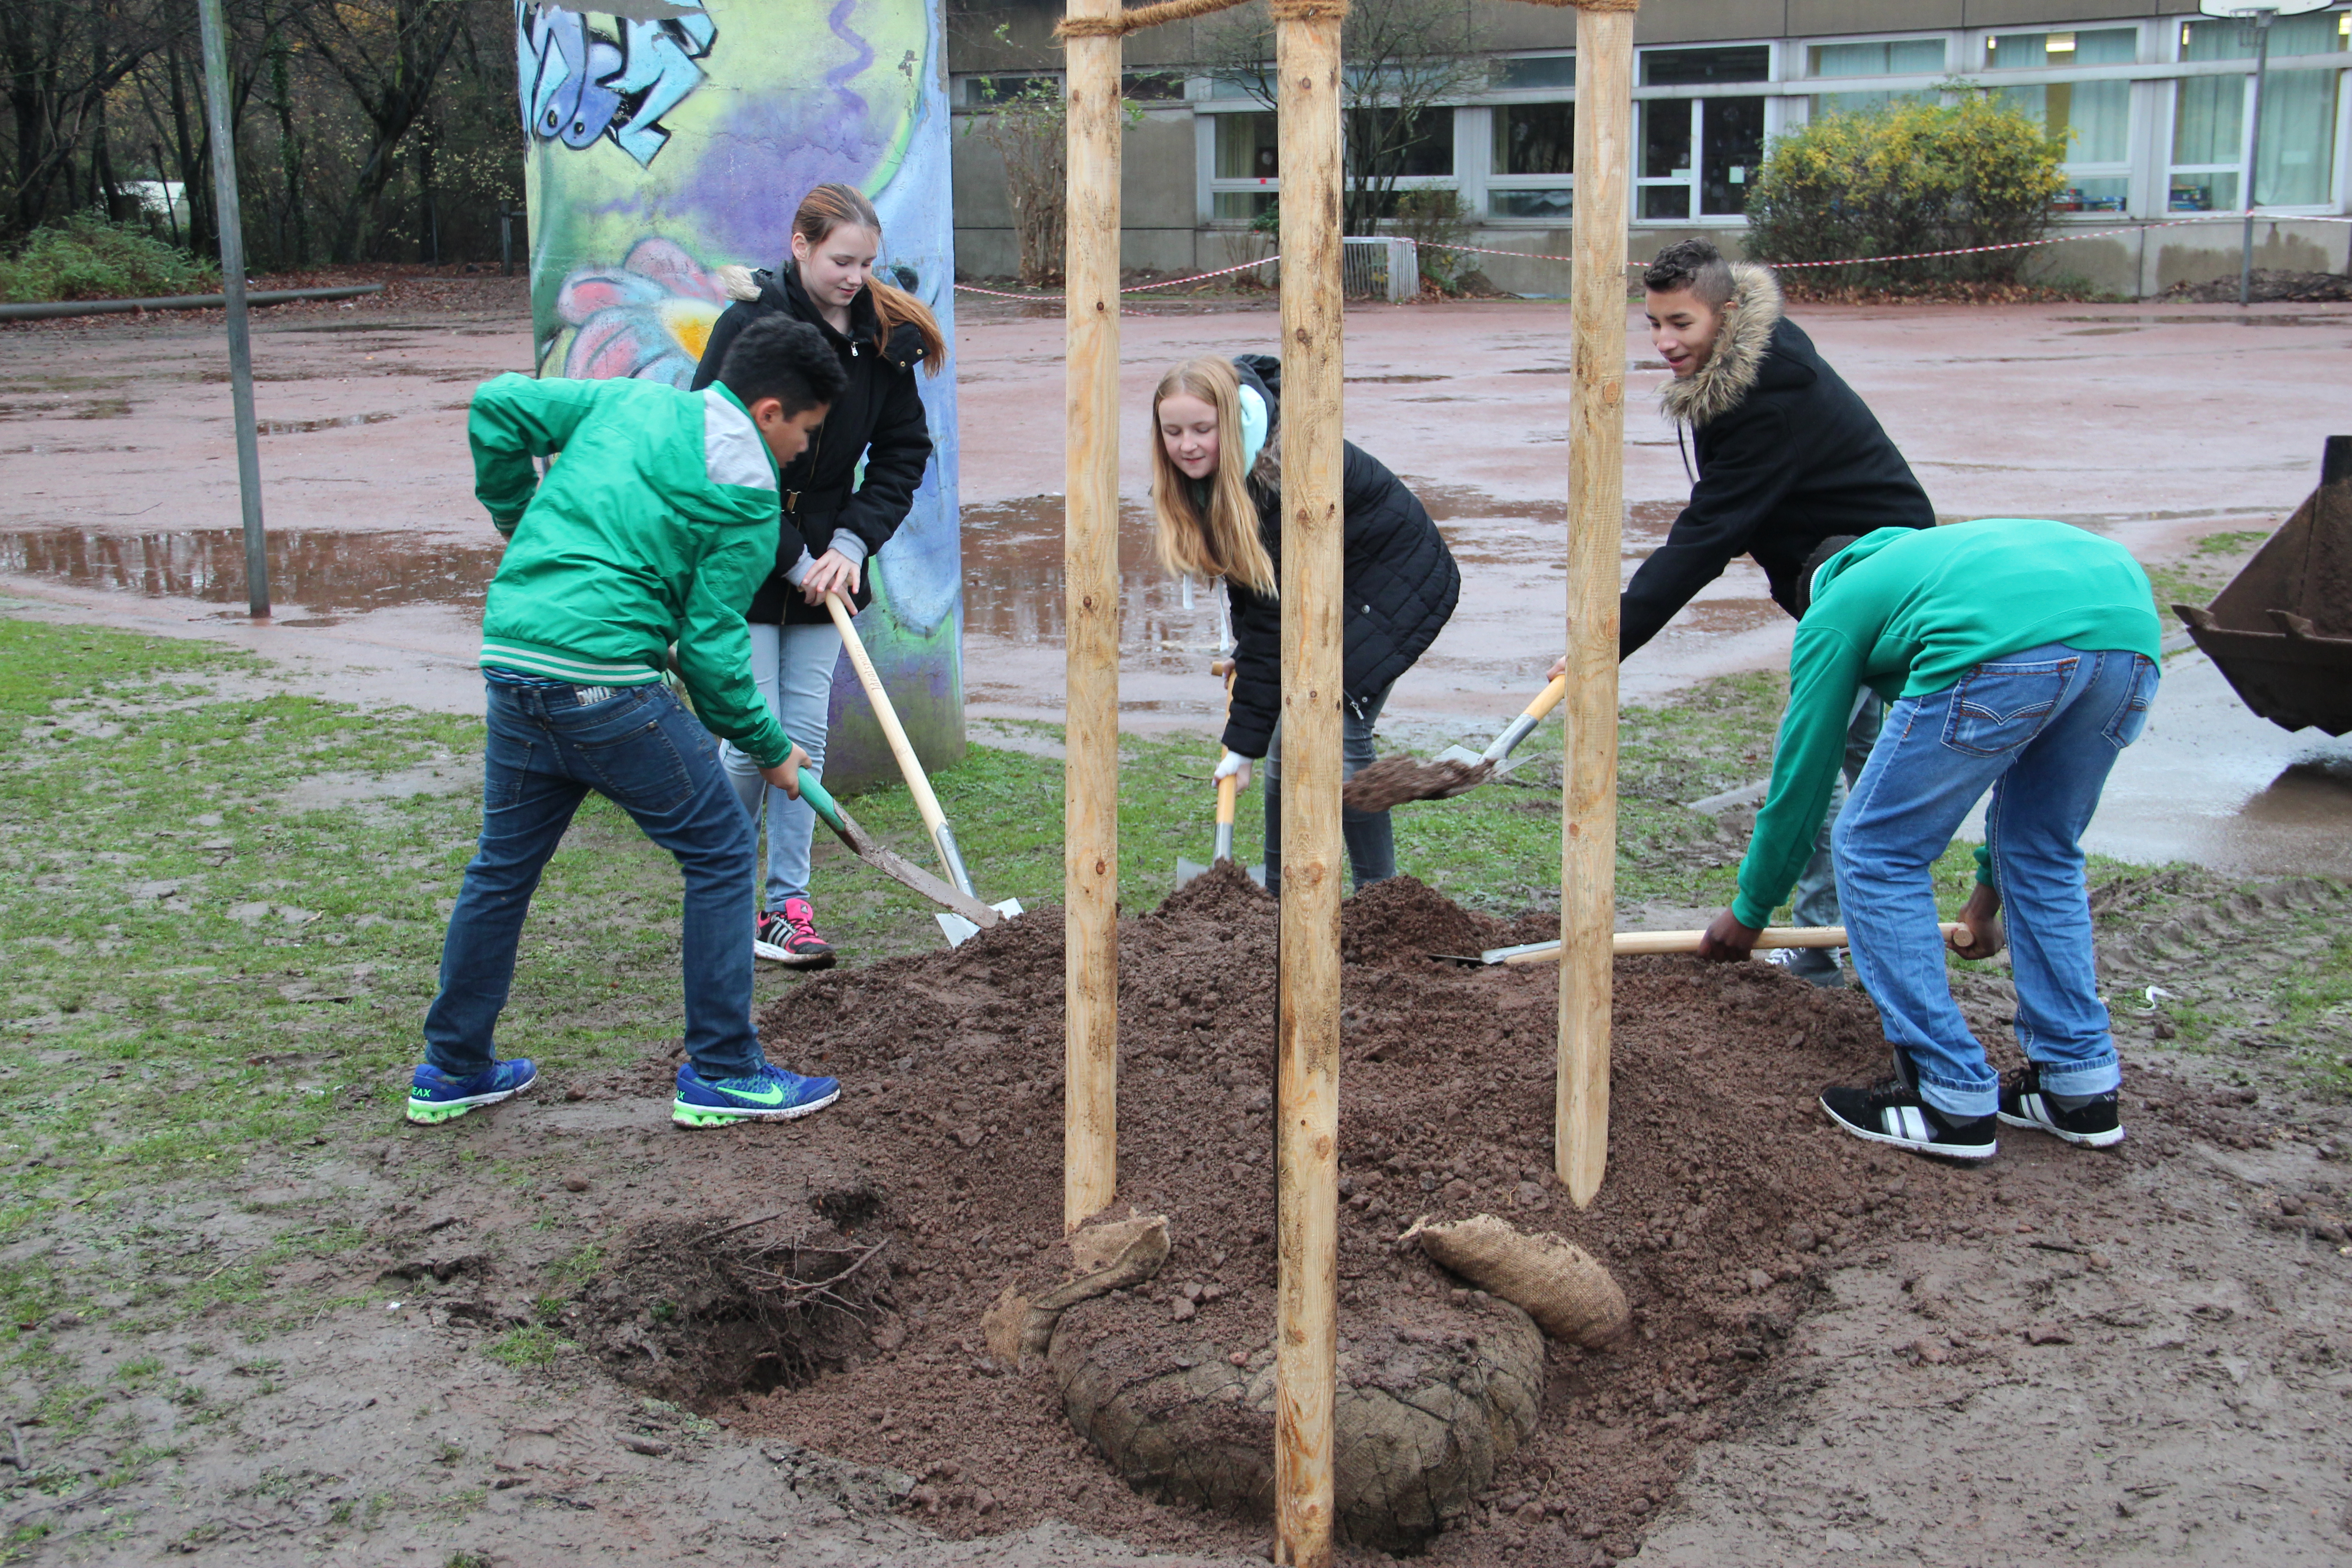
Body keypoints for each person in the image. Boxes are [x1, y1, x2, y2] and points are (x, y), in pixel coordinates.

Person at [407, 316, 849, 1131]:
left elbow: (498, 406)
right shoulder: (748, 498)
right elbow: (716, 657)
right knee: (720, 847)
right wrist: (771, 748)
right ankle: (723, 1069)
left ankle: (452, 1067)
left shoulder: (628, 404)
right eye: (805, 431)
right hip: (604, 684)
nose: (801, 452)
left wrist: (517, 522)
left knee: (501, 867)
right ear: (767, 411)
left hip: (515, 659)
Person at [1695, 518, 2161, 1161]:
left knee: (1876, 848)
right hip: (2129, 630)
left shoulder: (1835, 605)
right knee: (2044, 849)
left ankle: (1947, 1098)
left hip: (2008, 643)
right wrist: (1984, 901)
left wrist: (1750, 910)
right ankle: (2078, 1088)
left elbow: (1804, 775)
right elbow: (2020, 816)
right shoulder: (1932, 567)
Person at [1551, 237, 1935, 986]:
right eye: (1654, 323)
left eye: (1681, 324)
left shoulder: (1765, 393)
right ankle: (1840, 937)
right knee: (1870, 767)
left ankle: (1828, 951)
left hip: (1872, 585)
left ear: (1726, 316)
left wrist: (1610, 640)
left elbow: (1707, 534)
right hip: (1839, 583)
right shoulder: (1738, 374)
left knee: (1826, 765)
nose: (1663, 341)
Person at [688, 182, 946, 971]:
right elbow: (714, 451)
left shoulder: (882, 336)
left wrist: (852, 543)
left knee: (805, 738)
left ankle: (785, 906)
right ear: (798, 245)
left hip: (832, 558)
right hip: (749, 552)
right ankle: (719, 889)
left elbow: (903, 453)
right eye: (840, 259)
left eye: (867, 262)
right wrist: (792, 552)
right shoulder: (749, 326)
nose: (854, 276)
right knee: (749, 739)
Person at [1150, 354, 1459, 891]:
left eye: (1203, 429)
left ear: (1232, 420)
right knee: (1286, 735)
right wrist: (1247, 659)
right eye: (1173, 432)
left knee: (1336, 732)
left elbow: (1274, 617)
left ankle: (1379, 898)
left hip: (1388, 586)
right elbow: (1255, 586)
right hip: (1333, 581)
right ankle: (1277, 886)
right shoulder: (1225, 474)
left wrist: (1240, 746)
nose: (1188, 445)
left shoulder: (1277, 480)